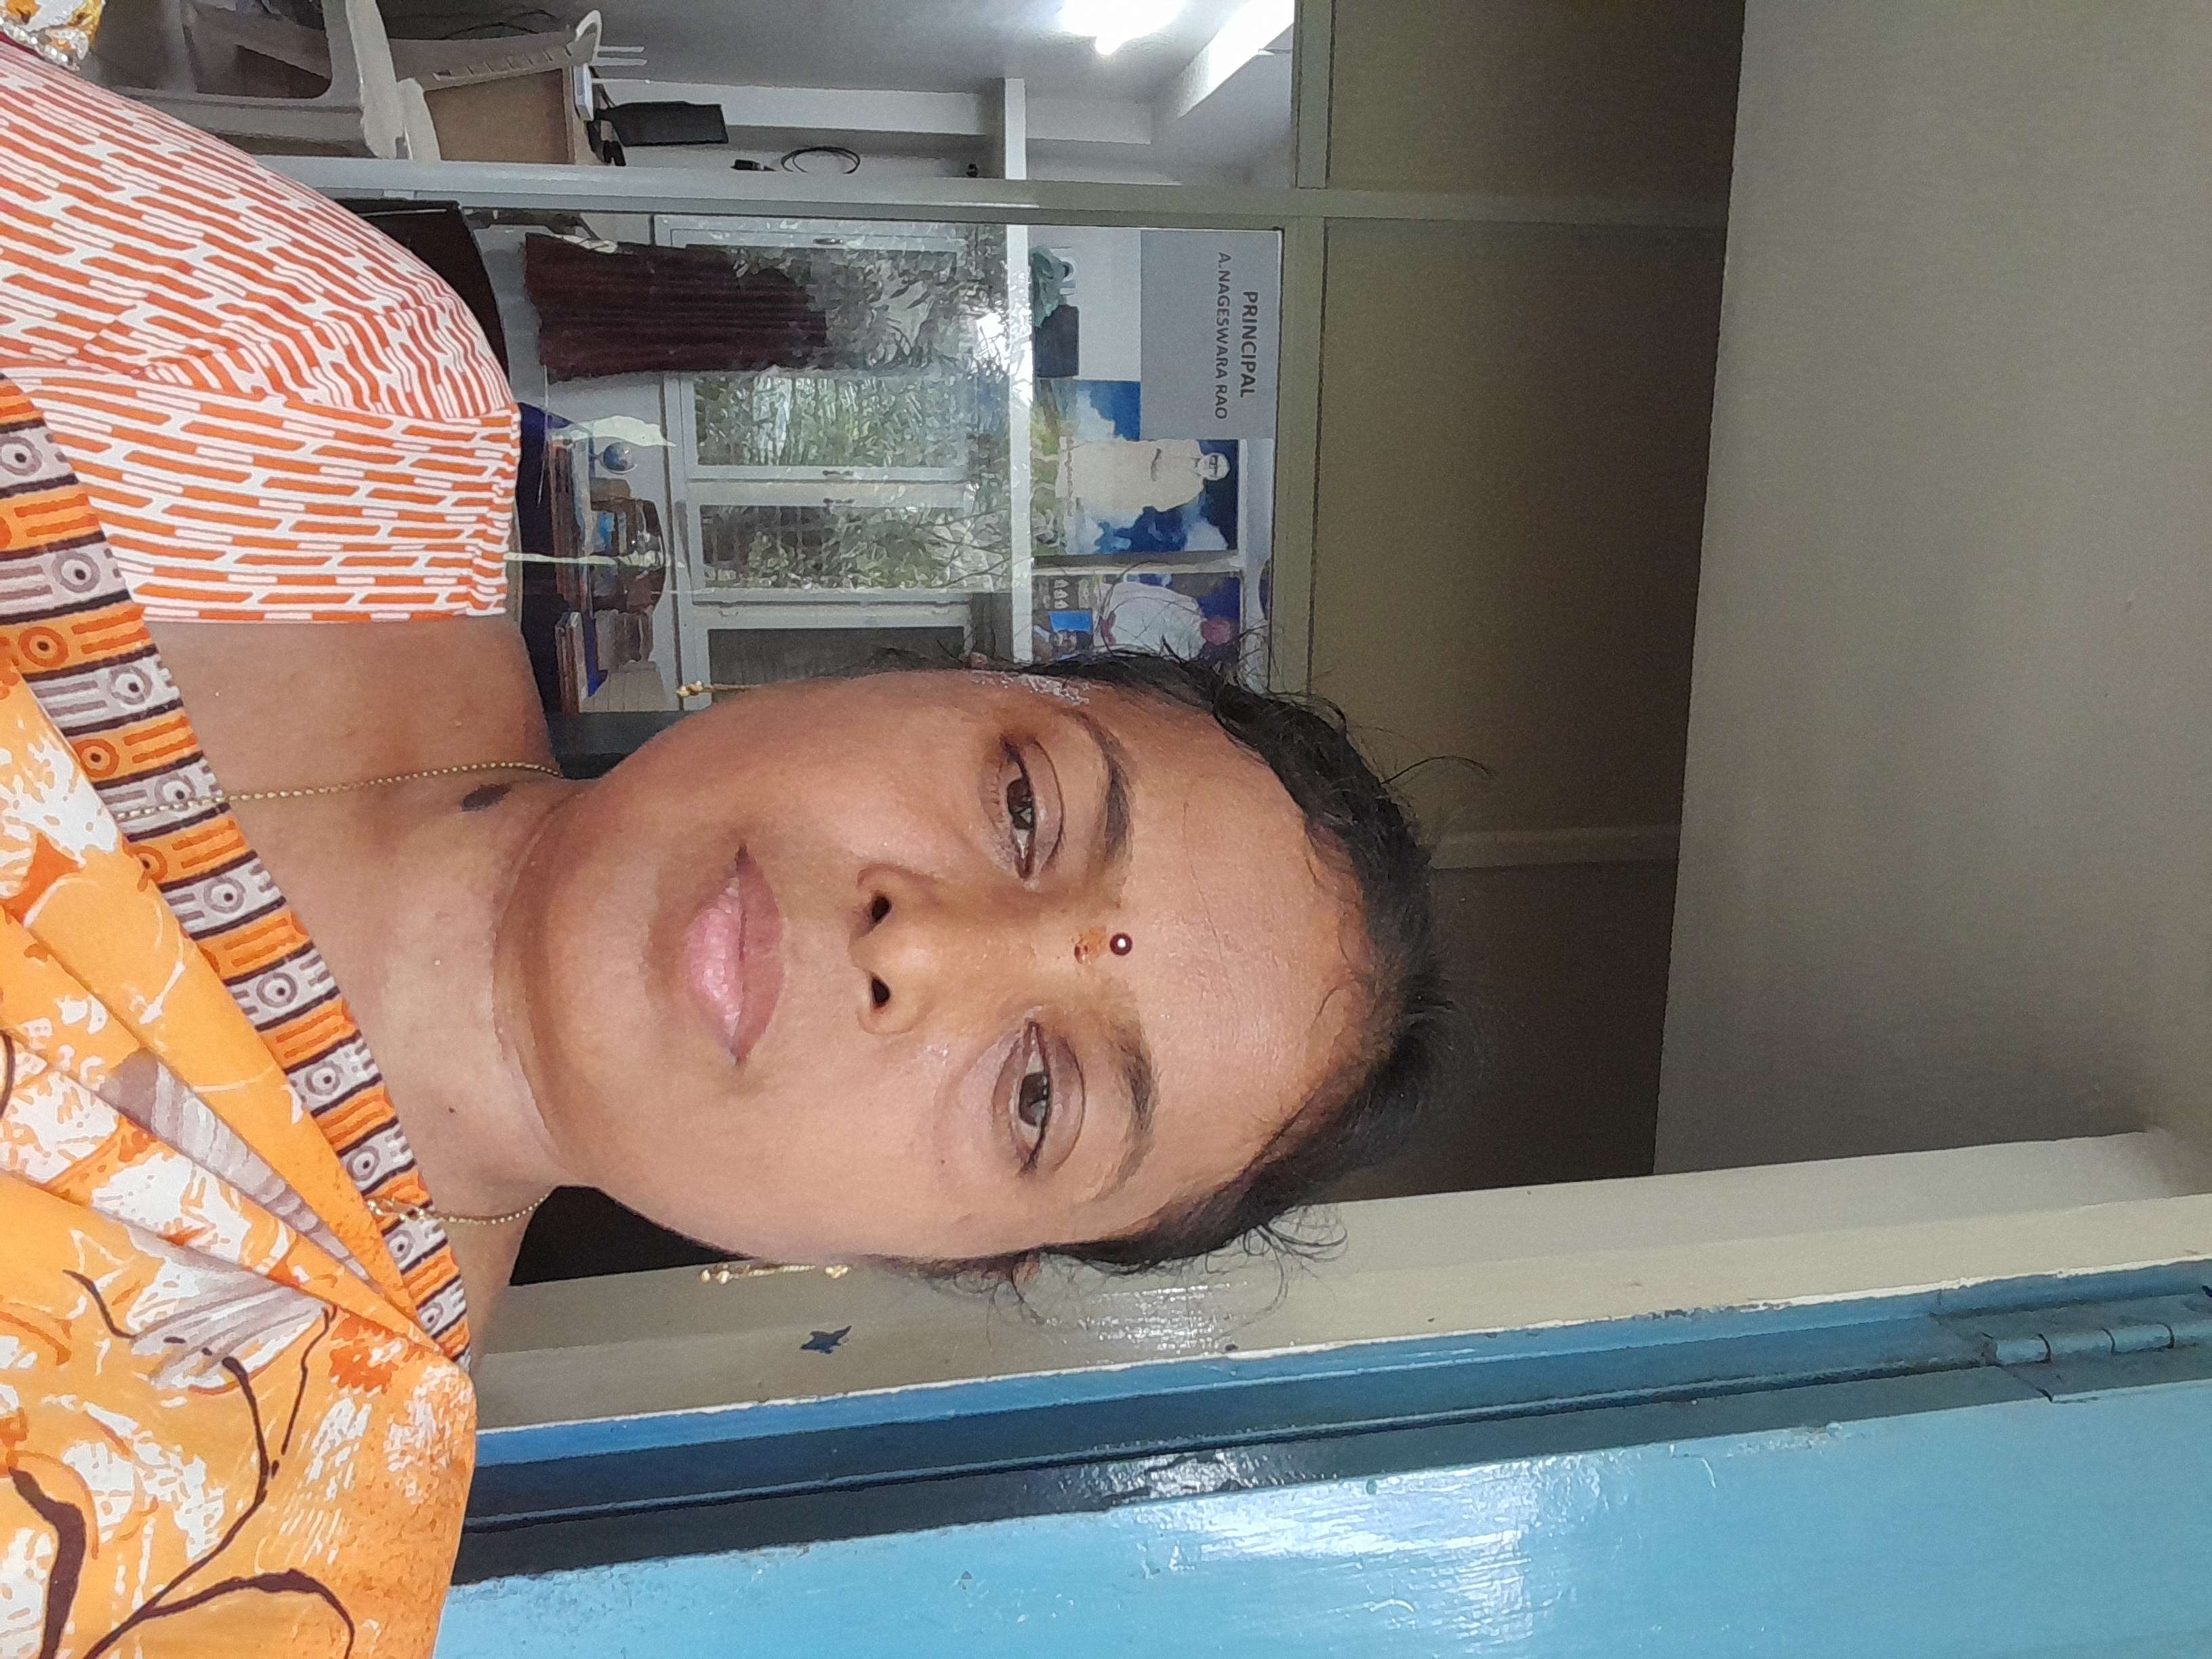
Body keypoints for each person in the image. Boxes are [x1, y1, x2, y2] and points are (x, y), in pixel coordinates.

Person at [0, 37, 1451, 1658]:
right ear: (927, 672)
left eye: (1042, 1095)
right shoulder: (329, 398)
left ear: (953, 1259)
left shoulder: (226, 1521)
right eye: (1025, 808)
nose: (919, 944)